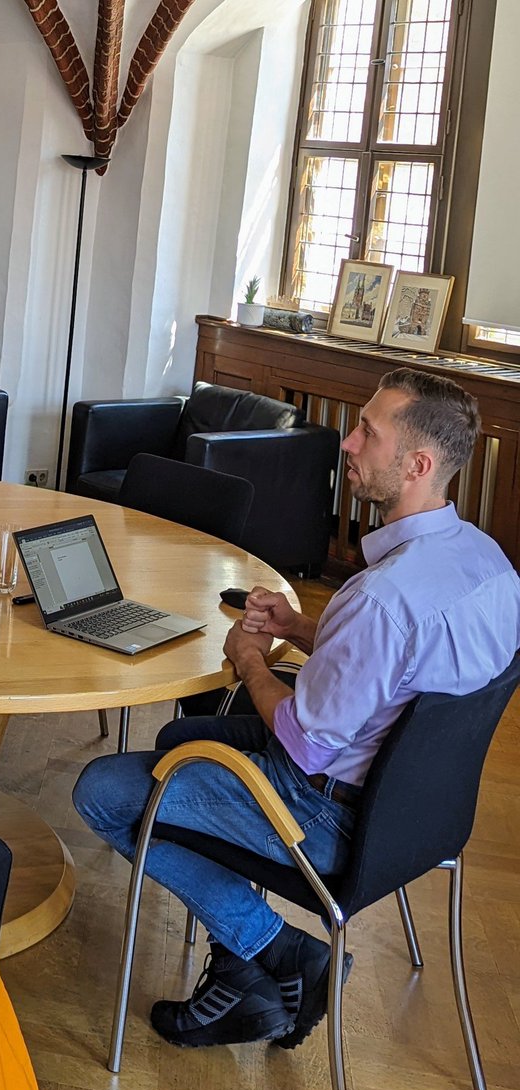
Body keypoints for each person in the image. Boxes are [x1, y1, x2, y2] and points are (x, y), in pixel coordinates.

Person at [73, 368, 520, 1051]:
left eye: (370, 431)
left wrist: (250, 657)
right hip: (422, 817)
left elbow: (306, 746)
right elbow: (399, 671)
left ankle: (283, 951)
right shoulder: (488, 566)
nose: (348, 442)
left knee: (106, 790)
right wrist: (298, 626)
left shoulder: (383, 598)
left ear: (419, 465)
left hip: (329, 812)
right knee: (181, 734)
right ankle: (238, 965)